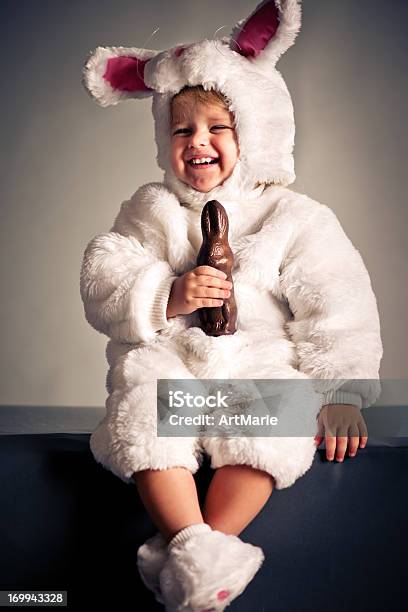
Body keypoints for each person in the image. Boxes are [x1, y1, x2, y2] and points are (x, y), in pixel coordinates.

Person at [80, 1, 383, 610]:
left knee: (279, 419)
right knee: (143, 406)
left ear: (257, 132)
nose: (199, 143)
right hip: (172, 365)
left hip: (251, 366)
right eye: (182, 129)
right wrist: (167, 293)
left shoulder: (293, 217)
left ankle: (200, 552)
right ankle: (196, 545)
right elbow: (106, 269)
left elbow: (338, 299)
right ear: (164, 139)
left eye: (220, 127)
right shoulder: (150, 210)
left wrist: (342, 391)